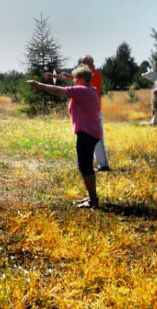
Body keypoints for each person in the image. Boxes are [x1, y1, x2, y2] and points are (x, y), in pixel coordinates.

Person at [27, 64, 103, 209]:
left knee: (85, 166)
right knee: (86, 165)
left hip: (86, 133)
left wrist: (40, 85)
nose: (73, 80)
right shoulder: (90, 89)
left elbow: (58, 90)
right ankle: (91, 196)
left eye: (75, 78)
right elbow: (70, 80)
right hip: (92, 131)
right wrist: (56, 76)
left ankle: (93, 200)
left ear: (81, 78)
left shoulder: (81, 90)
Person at [45, 54, 110, 171]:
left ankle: (104, 165)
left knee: (98, 139)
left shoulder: (95, 74)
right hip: (86, 112)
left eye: (84, 62)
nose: (82, 64)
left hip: (94, 111)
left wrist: (69, 76)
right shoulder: (86, 75)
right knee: (89, 139)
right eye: (81, 62)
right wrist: (54, 76)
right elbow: (75, 77)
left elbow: (82, 77)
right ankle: (98, 165)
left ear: (90, 63)